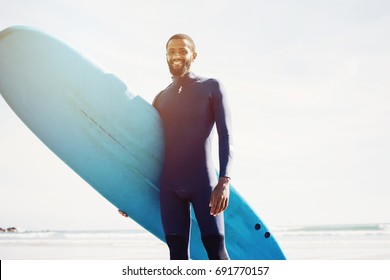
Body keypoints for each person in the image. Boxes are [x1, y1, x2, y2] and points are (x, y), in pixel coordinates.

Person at [120, 34, 233, 260]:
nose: (176, 56)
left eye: (182, 50)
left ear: (194, 55)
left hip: (204, 185)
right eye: (171, 51)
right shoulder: (160, 98)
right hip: (170, 188)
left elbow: (225, 135)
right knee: (176, 256)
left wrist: (224, 181)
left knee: (216, 252)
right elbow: (149, 150)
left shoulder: (211, 87)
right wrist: (130, 197)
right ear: (166, 56)